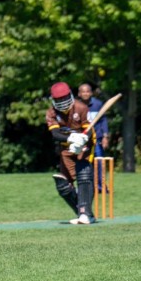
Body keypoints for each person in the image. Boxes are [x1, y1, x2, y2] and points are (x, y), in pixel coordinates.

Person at [46, 82, 96, 225]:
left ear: (70, 95)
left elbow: (89, 130)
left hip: (86, 145)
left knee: (84, 175)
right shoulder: (51, 113)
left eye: (64, 98)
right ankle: (84, 213)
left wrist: (82, 140)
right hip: (66, 147)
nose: (62, 102)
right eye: (58, 99)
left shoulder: (81, 107)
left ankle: (85, 214)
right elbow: (55, 134)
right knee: (64, 185)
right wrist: (71, 138)